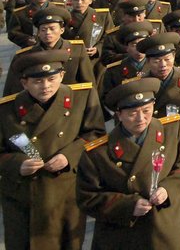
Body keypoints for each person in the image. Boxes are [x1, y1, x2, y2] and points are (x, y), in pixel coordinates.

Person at [0, 49, 105, 250]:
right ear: (24, 83)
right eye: (38, 81)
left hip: (66, 191)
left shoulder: (81, 98)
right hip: (22, 197)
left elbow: (96, 135)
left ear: (62, 76)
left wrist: (69, 156)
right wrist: (17, 164)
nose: (46, 86)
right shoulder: (7, 110)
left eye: (52, 79)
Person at [76, 77, 180, 248]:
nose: (141, 118)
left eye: (146, 110)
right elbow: (87, 197)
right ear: (119, 114)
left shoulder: (172, 130)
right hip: (123, 232)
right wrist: (127, 205)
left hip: (165, 221)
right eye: (132, 114)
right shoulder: (97, 152)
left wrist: (168, 187)